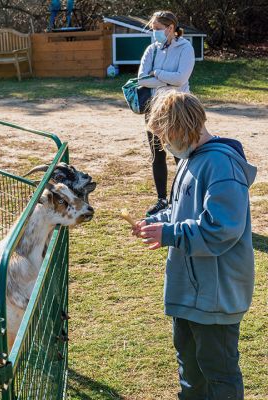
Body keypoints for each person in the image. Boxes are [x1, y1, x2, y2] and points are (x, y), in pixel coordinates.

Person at [132, 91, 257, 400]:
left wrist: (171, 234)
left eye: (165, 136)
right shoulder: (191, 160)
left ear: (183, 127)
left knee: (219, 375)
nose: (164, 144)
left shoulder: (220, 165)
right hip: (189, 292)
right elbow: (182, 209)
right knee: (190, 371)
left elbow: (222, 228)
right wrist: (159, 222)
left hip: (214, 297)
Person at [138, 11, 195, 216]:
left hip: (178, 108)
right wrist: (167, 80)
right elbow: (142, 79)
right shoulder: (151, 50)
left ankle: (183, 199)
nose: (155, 33)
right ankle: (162, 200)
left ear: (170, 28)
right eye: (153, 30)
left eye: (158, 29)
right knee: (157, 155)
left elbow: (181, 79)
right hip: (154, 108)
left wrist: (158, 74)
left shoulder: (185, 48)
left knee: (181, 154)